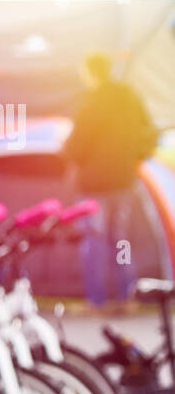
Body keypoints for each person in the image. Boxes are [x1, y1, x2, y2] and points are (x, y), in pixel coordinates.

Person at [60, 51, 159, 309]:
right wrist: (135, 157)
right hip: (125, 179)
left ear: (89, 73)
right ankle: (127, 296)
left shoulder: (90, 102)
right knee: (122, 239)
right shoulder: (129, 97)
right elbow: (149, 131)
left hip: (94, 184)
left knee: (94, 239)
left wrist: (68, 152)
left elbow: (76, 145)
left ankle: (96, 300)